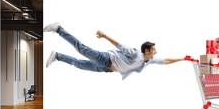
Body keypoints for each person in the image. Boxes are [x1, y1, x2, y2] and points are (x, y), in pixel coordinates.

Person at [43, 22, 185, 80]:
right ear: (147, 50)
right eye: (153, 50)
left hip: (106, 68)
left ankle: (57, 56)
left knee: (79, 64)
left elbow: (166, 61)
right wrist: (104, 36)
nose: (156, 52)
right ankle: (58, 29)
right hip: (106, 59)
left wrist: (182, 58)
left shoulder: (148, 61)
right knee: (81, 48)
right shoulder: (135, 53)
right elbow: (120, 46)